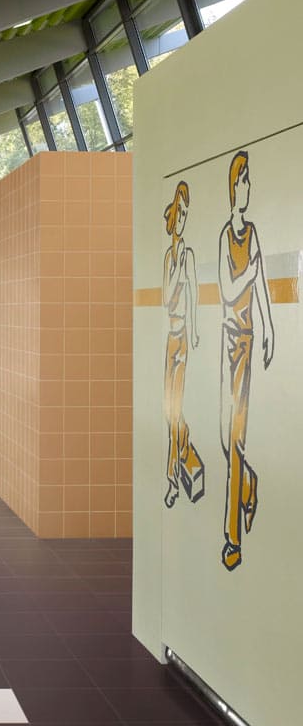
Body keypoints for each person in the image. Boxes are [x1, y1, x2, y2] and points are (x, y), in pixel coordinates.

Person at [218, 151, 274, 571]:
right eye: (243, 182)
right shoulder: (227, 235)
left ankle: (231, 538)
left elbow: (262, 286)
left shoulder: (252, 232)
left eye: (249, 182)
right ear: (232, 187)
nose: (247, 189)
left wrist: (269, 326)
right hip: (228, 340)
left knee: (235, 441)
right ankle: (250, 485)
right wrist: (248, 278)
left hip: (248, 342)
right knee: (225, 439)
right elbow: (228, 288)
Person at [162, 181, 202, 509]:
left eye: (186, 214)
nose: (183, 219)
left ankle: (173, 478)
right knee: (168, 410)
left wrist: (197, 328)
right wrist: (178, 273)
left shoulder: (186, 254)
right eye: (181, 212)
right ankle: (185, 444)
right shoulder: (170, 257)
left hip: (183, 339)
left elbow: (195, 295)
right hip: (169, 340)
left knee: (173, 412)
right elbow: (166, 297)